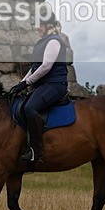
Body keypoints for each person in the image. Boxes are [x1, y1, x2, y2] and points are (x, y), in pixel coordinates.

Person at [9, 14, 68, 162]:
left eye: (39, 25)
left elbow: (46, 67)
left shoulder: (54, 41)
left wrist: (27, 82)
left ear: (48, 25)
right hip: (43, 85)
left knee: (30, 108)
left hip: (55, 85)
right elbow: (35, 67)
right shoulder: (41, 43)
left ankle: (37, 150)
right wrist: (20, 84)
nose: (36, 28)